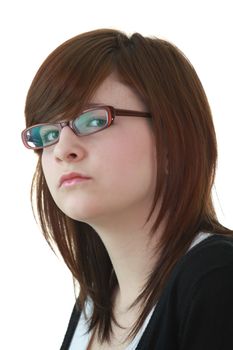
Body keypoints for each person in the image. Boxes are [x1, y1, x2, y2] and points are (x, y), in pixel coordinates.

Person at [21, 29, 233, 350]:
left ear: (171, 141)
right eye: (48, 134)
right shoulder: (93, 304)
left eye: (93, 121)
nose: (63, 148)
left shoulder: (218, 279)